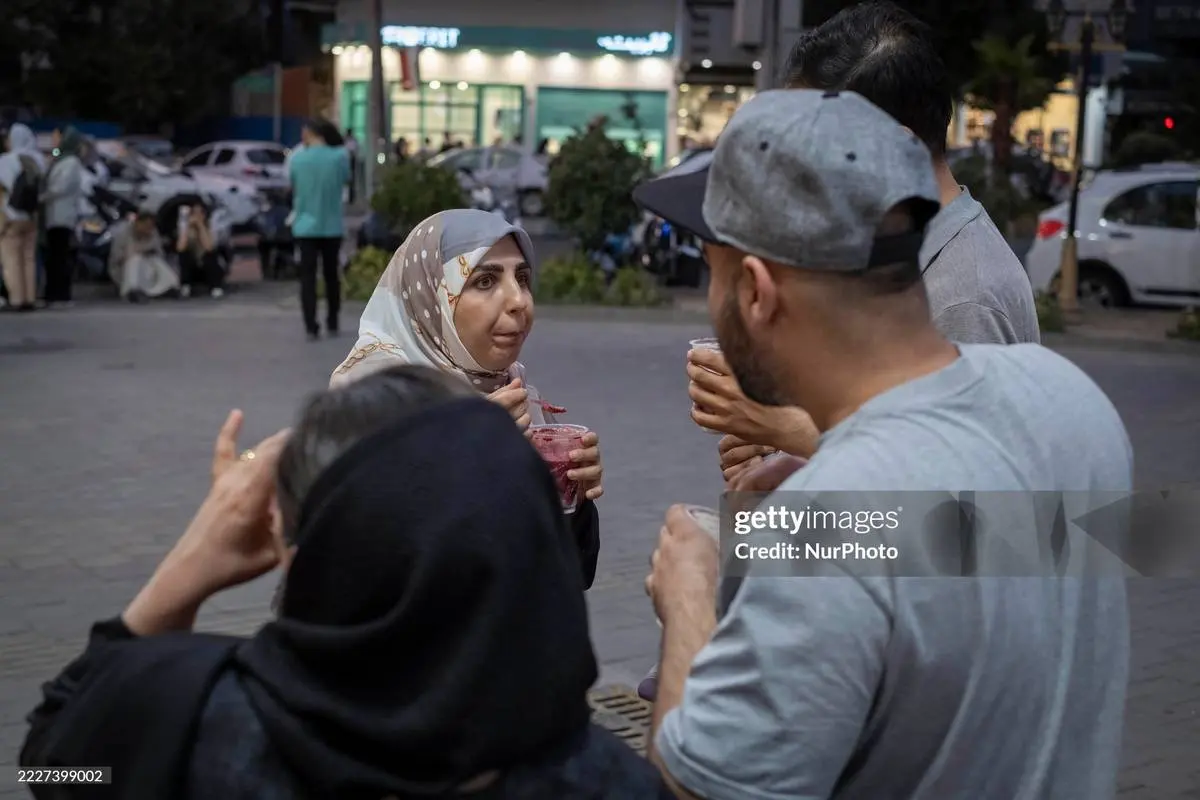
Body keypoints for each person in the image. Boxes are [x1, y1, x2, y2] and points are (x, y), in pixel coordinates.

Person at [635, 89, 1132, 800]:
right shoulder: (1074, 400)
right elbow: (1021, 548)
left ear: (755, 291)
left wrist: (688, 595)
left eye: (711, 271)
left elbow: (698, 788)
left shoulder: (827, 517)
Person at [20, 365, 671, 800]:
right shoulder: (598, 774)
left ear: (310, 560)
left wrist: (196, 558)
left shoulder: (207, 727)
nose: (516, 301)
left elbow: (55, 766)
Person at [685, 0, 1043, 485]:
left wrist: (789, 429)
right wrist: (782, 459)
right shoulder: (890, 254)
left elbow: (960, 490)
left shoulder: (964, 295)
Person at [330, 209, 605, 588]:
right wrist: (457, 450)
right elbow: (360, 569)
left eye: (522, 278)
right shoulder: (369, 404)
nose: (518, 300)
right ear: (433, 299)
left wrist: (572, 500)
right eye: (485, 281)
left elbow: (570, 574)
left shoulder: (514, 393)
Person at [289, 119, 350, 340]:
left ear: (310, 133)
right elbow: (345, 181)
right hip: (332, 224)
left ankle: (311, 325)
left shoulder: (297, 159)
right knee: (331, 275)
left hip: (305, 226)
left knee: (307, 277)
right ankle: (332, 320)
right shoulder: (340, 157)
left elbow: (293, 186)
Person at [0, 123, 47, 312]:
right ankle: (30, 298)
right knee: (29, 259)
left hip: (10, 216)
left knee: (11, 259)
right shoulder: (37, 160)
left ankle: (17, 299)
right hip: (31, 216)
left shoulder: (5, 160)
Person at [40, 126, 86, 307]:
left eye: (57, 137)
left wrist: (42, 196)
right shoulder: (59, 158)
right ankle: (52, 293)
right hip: (53, 215)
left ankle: (60, 294)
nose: (54, 141)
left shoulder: (71, 162)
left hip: (62, 215)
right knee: (53, 256)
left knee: (59, 256)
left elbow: (61, 187)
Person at [109, 210, 181, 303]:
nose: (149, 229)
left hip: (148, 267)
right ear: (138, 223)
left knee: (157, 261)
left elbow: (160, 253)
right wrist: (135, 253)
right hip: (125, 269)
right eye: (146, 225)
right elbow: (116, 259)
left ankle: (170, 287)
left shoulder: (153, 233)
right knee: (135, 259)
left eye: (151, 226)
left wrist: (148, 252)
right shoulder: (123, 234)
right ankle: (133, 290)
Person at [175, 202, 226, 299]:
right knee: (184, 256)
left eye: (199, 213)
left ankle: (215, 287)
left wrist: (200, 226)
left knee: (210, 256)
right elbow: (180, 248)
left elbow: (209, 247)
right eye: (194, 213)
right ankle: (185, 286)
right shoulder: (185, 226)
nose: (196, 216)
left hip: (207, 264)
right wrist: (187, 228)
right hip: (193, 266)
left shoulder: (211, 226)